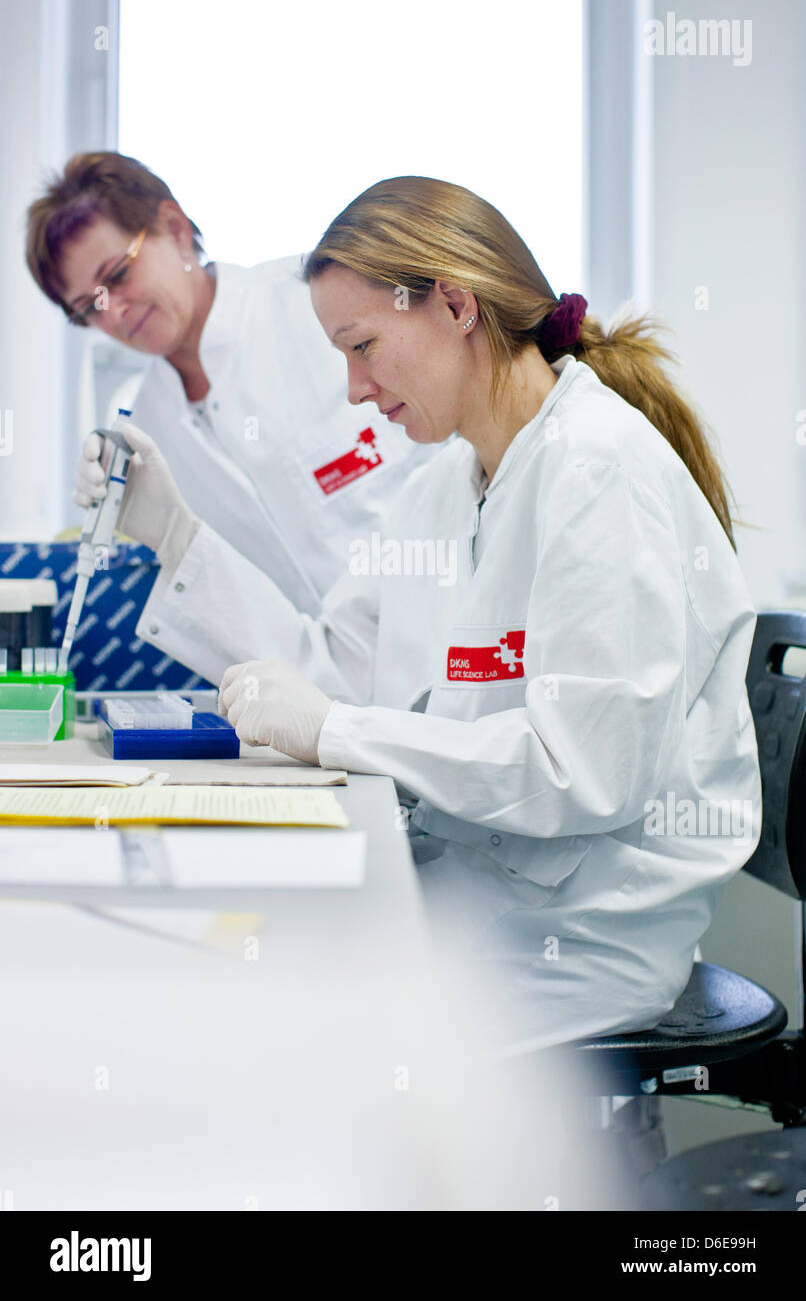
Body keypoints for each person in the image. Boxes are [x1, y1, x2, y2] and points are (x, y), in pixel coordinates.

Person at [74, 176, 762, 1051]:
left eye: (363, 346)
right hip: (484, 891)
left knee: (263, 1037)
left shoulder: (597, 470)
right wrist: (172, 531)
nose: (355, 389)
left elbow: (581, 773)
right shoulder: (447, 484)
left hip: (579, 938)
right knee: (217, 972)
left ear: (454, 303)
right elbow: (334, 674)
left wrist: (339, 732)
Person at [25, 153, 434, 617]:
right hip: (313, 682)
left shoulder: (318, 305)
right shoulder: (144, 434)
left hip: (446, 633)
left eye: (118, 276)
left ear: (175, 230)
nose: (113, 312)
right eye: (89, 309)